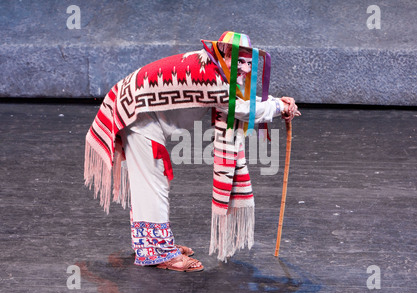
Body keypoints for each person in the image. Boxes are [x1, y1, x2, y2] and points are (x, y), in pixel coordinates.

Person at [84, 31, 300, 272]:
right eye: (240, 61)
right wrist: (278, 106)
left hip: (139, 112)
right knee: (152, 183)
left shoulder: (212, 66)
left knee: (150, 182)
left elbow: (236, 98)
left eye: (249, 63)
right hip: (137, 117)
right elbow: (239, 108)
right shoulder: (211, 76)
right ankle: (160, 252)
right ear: (225, 54)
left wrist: (275, 102)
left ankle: (152, 245)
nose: (246, 69)